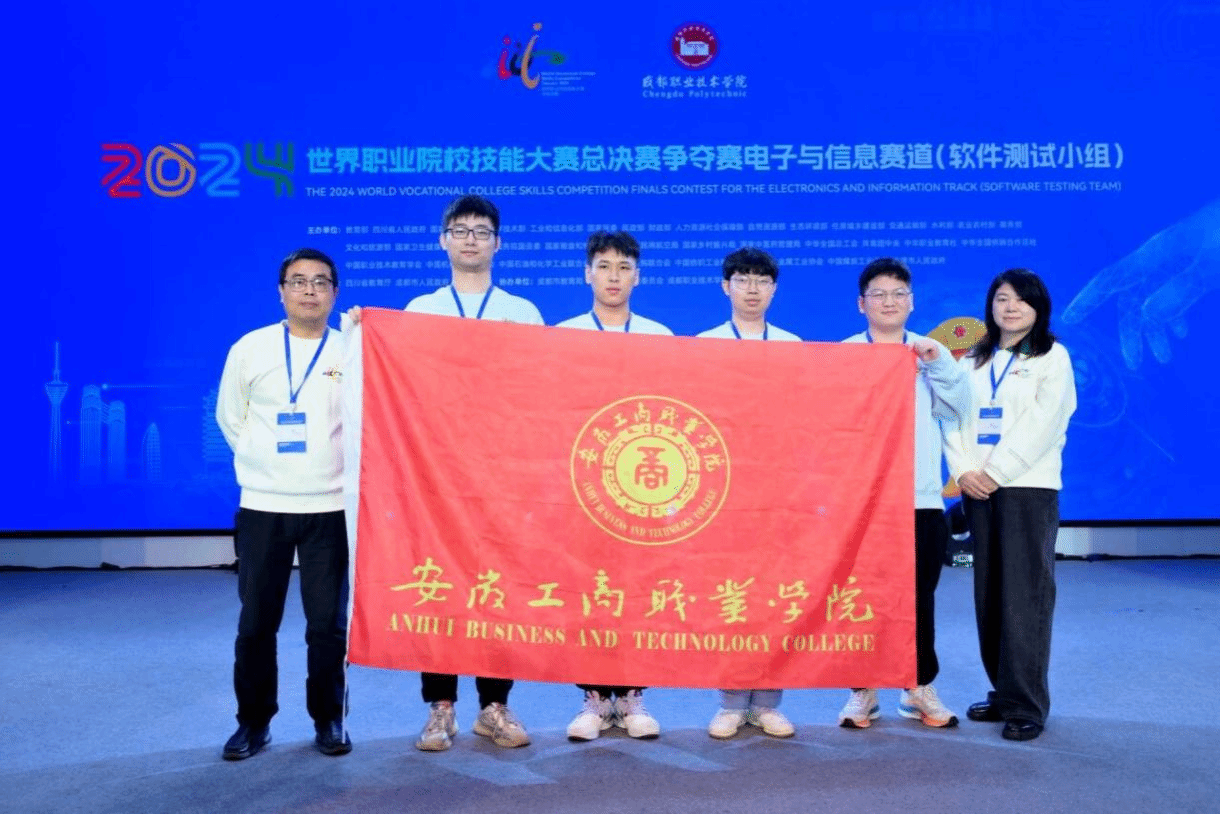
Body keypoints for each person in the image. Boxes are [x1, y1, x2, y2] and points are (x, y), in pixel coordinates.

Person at [403, 194, 541, 751]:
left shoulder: (522, 312)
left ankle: (494, 705)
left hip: (500, 478)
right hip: (436, 477)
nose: (470, 240)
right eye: (460, 230)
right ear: (443, 241)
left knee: (495, 589)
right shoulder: (420, 310)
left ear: (497, 243)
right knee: (438, 587)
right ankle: (440, 707)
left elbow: (539, 390)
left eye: (481, 231)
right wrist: (365, 332)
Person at [215, 248, 351, 760]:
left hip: (329, 506)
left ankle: (329, 718)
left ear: (335, 292)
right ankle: (253, 722)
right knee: (256, 623)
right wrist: (262, 463)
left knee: (327, 626)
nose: (309, 290)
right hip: (263, 506)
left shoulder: (351, 350)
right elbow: (231, 417)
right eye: (298, 281)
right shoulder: (250, 348)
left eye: (320, 281)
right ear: (281, 291)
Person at [837, 257, 972, 730]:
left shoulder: (930, 352)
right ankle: (863, 691)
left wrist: (940, 367)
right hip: (862, 504)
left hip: (921, 499)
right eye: (879, 294)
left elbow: (960, 408)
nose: (889, 302)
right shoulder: (845, 354)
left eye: (898, 294)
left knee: (919, 600)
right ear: (862, 304)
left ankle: (918, 686)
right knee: (862, 597)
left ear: (912, 302)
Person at [943, 268, 1076, 742]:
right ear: (991, 306)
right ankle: (1004, 692)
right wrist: (964, 472)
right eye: (1002, 299)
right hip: (978, 490)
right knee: (990, 595)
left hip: (1026, 488)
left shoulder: (1052, 357)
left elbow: (1045, 423)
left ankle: (1027, 704)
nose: (1011, 307)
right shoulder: (974, 359)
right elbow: (952, 416)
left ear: (1039, 308)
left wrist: (995, 473)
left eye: (1021, 299)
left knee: (1025, 595)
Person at [556, 230, 669, 742]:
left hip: (642, 487)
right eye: (604, 267)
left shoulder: (659, 337)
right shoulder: (565, 336)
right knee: (590, 591)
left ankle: (633, 696)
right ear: (588, 274)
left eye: (624, 267)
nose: (614, 277)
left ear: (637, 276)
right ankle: (594, 699)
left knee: (640, 591)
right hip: (583, 488)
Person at [696, 247, 801, 739]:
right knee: (730, 596)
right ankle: (732, 701)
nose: (752, 289)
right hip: (723, 493)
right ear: (726, 287)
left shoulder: (792, 345)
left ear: (774, 289)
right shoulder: (705, 345)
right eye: (742, 279)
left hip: (779, 491)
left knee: (775, 597)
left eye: (762, 280)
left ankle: (769, 702)